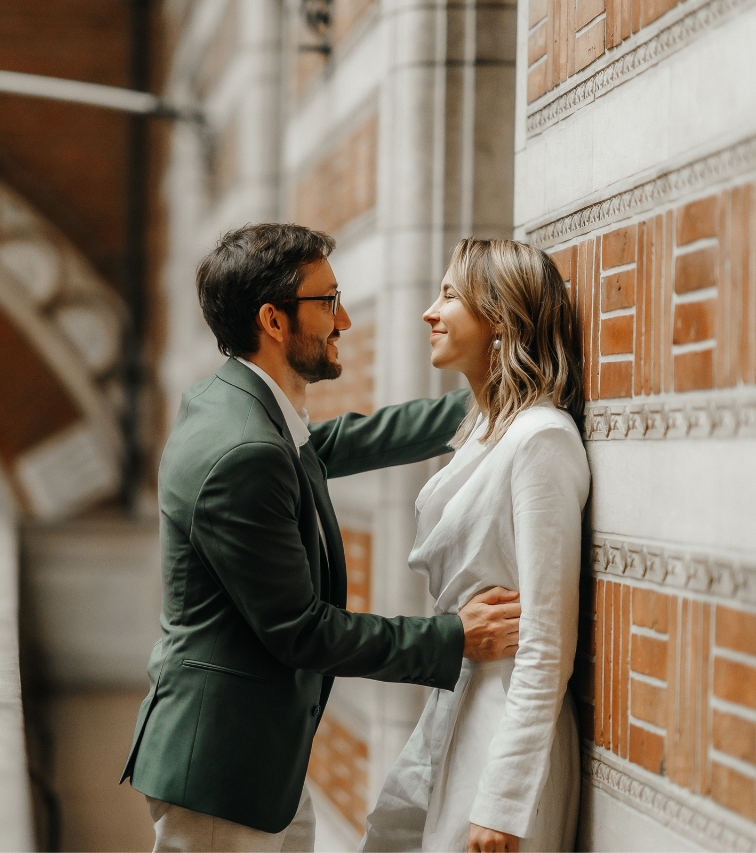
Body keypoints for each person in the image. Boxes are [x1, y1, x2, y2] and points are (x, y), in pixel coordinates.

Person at [121, 224, 523, 852]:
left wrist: (490, 403)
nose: (345, 322)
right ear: (273, 321)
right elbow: (300, 631)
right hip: (222, 771)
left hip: (255, 758)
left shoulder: (239, 404)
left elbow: (333, 445)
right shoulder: (244, 450)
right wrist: (454, 637)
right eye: (327, 302)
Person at [359, 238, 590, 853]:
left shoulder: (542, 439)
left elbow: (547, 640)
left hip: (507, 734)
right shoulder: (486, 434)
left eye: (451, 295)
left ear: (501, 319)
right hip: (457, 712)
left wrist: (503, 799)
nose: (430, 312)